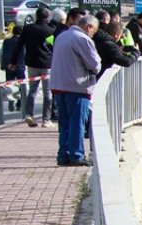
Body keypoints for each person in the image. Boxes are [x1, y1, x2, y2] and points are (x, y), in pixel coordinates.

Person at [49, 14, 101, 166]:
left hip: (58, 86)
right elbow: (95, 65)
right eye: (94, 31)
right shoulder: (83, 39)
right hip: (77, 87)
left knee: (64, 123)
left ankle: (63, 155)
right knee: (77, 122)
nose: (93, 34)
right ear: (89, 27)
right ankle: (77, 154)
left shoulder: (61, 36)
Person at [11, 7, 54, 127]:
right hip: (47, 64)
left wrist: (13, 61)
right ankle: (46, 120)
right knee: (47, 92)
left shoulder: (28, 29)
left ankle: (29, 114)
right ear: (48, 17)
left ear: (36, 16)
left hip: (31, 63)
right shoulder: (50, 30)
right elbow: (52, 47)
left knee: (32, 90)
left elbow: (19, 45)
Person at [0, 24, 27, 113]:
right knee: (21, 86)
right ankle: (19, 104)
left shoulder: (6, 41)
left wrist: (2, 64)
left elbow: (1, 53)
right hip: (20, 66)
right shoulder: (23, 41)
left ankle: (10, 102)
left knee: (9, 84)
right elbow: (25, 53)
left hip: (8, 67)